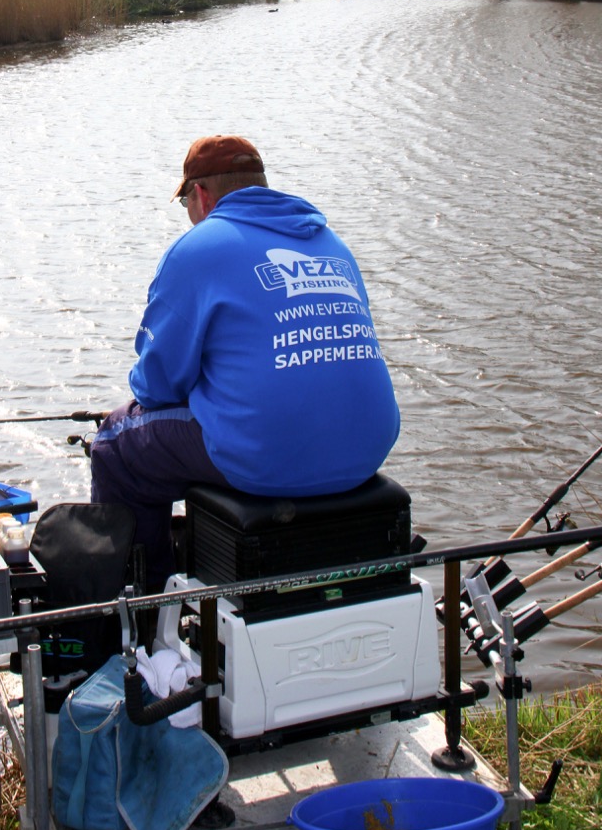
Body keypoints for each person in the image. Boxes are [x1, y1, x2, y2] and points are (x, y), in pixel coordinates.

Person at [90, 135, 400, 590]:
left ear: (201, 195)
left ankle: (146, 611)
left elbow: (156, 386)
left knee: (114, 445)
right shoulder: (331, 243)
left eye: (186, 203)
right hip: (366, 449)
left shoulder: (197, 249)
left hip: (267, 455)